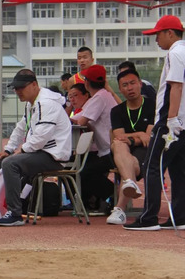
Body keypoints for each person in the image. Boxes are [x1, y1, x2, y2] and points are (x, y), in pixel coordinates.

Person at [0, 69, 72, 226]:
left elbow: (41, 137)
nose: (17, 91)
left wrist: (21, 150)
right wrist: (8, 150)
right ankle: (1, 209)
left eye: (21, 87)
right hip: (39, 152)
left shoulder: (47, 104)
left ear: (34, 85)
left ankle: (15, 213)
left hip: (53, 156)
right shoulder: (31, 104)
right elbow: (20, 128)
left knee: (10, 163)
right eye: (16, 88)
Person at [124, 15, 185, 231]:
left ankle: (149, 217)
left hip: (171, 122)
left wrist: (170, 119)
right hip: (182, 122)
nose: (156, 39)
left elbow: (176, 87)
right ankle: (179, 216)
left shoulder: (176, 53)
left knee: (153, 166)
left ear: (170, 33)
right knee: (178, 170)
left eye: (158, 34)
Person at [107, 69, 155, 225]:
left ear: (140, 84)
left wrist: (136, 137)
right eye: (125, 85)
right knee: (118, 144)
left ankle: (120, 209)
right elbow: (118, 136)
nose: (130, 88)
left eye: (133, 83)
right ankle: (128, 186)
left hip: (144, 152)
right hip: (121, 153)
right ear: (120, 89)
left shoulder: (152, 106)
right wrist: (139, 134)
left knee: (124, 152)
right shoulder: (116, 111)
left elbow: (148, 138)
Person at [70, 65, 118, 212]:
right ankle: (105, 198)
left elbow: (81, 122)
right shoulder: (101, 96)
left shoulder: (99, 98)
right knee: (84, 170)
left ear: (86, 83)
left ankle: (114, 194)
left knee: (83, 173)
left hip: (111, 150)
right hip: (107, 149)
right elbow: (78, 118)